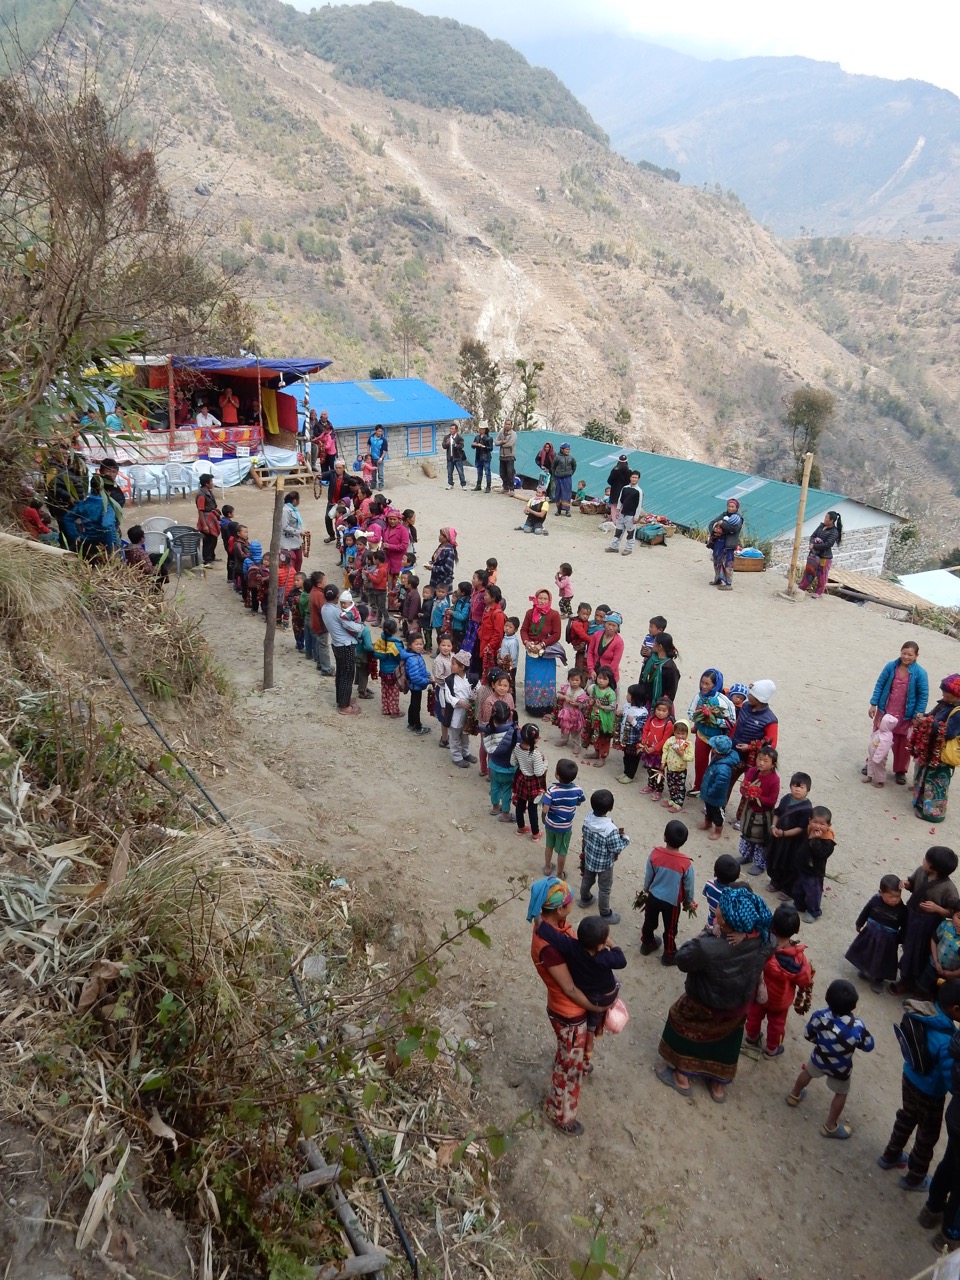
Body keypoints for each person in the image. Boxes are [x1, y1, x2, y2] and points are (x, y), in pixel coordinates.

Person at [656, 887, 775, 1103]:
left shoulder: (707, 946)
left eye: (720, 906)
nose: (716, 907)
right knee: (728, 1037)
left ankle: (681, 1076)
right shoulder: (764, 940)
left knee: (680, 1020)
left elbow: (682, 959)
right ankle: (718, 1083)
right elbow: (770, 938)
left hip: (705, 1001)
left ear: (726, 921)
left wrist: (705, 933)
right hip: (739, 1003)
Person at [528, 877, 608, 1136]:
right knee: (568, 1070)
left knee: (570, 1054)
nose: (573, 904)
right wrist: (596, 1006)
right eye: (569, 901)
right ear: (560, 909)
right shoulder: (549, 949)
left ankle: (577, 1060)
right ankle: (561, 1114)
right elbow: (570, 989)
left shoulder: (549, 926)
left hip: (569, 1009)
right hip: (569, 1013)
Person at [786, 978, 875, 1139]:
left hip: (819, 1058)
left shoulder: (820, 1016)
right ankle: (830, 1126)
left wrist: (821, 1044)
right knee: (841, 1093)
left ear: (827, 999)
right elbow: (869, 1045)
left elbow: (808, 1034)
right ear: (853, 1006)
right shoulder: (857, 1026)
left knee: (807, 1073)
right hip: (840, 1068)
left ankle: (794, 1095)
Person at [535, 914, 626, 1033]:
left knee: (594, 1011)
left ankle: (591, 1028)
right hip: (604, 997)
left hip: (589, 994)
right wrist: (613, 945)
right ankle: (595, 1026)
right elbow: (621, 961)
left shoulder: (571, 946)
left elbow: (554, 936)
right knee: (616, 983)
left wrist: (539, 920)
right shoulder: (605, 957)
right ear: (599, 947)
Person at [744, 904, 813, 1058]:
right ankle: (771, 1049)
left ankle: (751, 1037)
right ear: (797, 930)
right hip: (780, 1001)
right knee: (777, 1024)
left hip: (759, 992)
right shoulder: (797, 959)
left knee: (754, 1015)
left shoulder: (763, 944)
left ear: (773, 925)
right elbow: (804, 980)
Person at [892, 847, 960, 995]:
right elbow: (912, 883)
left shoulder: (948, 889)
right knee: (908, 946)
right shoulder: (920, 872)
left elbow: (953, 912)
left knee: (919, 953)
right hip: (911, 918)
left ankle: (909, 982)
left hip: (927, 926)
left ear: (934, 868)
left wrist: (937, 909)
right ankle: (907, 979)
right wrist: (906, 884)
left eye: (926, 860)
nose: (923, 861)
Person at [918, 1027, 960, 1251]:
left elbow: (953, 1049)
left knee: (950, 1161)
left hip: (957, 1115)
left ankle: (932, 1209)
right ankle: (950, 1234)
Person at [866, 642, 929, 785]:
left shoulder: (920, 673)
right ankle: (872, 765)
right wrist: (873, 704)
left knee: (903, 744)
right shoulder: (890, 667)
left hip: (905, 715)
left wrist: (917, 715)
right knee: (878, 740)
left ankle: (900, 771)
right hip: (885, 710)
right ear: (900, 652)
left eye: (910, 655)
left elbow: (923, 695)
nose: (906, 657)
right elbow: (880, 684)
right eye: (904, 653)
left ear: (916, 656)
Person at [640, 820, 696, 965]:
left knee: (649, 921)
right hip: (672, 902)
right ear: (684, 841)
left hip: (653, 896)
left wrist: (645, 890)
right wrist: (688, 901)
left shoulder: (655, 854)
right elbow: (689, 886)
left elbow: (649, 876)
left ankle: (647, 943)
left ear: (664, 837)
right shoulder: (686, 863)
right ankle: (669, 954)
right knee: (670, 928)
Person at [910, 675, 960, 824]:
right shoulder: (945, 703)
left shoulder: (958, 712)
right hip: (931, 750)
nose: (943, 695)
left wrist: (930, 723)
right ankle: (920, 804)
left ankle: (933, 814)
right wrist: (924, 717)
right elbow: (932, 716)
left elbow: (949, 732)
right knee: (925, 776)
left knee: (936, 782)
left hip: (941, 754)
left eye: (946, 693)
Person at [846, 874, 907, 994]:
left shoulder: (902, 910)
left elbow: (904, 927)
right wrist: (859, 923)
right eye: (891, 896)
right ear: (881, 893)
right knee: (867, 953)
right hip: (871, 934)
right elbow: (866, 911)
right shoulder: (875, 900)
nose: (894, 899)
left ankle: (878, 980)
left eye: (897, 896)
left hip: (888, 941)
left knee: (883, 960)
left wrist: (901, 939)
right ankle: (865, 970)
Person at [579, 788, 628, 925]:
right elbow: (616, 847)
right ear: (610, 808)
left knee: (587, 879)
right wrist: (625, 838)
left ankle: (585, 898)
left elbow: (584, 835)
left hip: (590, 858)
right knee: (605, 888)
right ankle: (605, 913)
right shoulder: (610, 828)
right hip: (604, 864)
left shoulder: (588, 818)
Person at [688, 669, 736, 793]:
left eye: (707, 684)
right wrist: (700, 716)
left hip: (718, 740)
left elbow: (732, 721)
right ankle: (698, 787)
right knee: (700, 763)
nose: (703, 686)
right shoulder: (698, 697)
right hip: (702, 736)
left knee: (715, 765)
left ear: (716, 685)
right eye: (702, 682)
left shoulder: (724, 701)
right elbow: (690, 712)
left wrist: (715, 720)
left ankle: (710, 790)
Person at [767, 772, 814, 898]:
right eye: (795, 786)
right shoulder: (786, 799)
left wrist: (784, 833)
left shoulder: (807, 808)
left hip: (793, 843)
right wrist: (773, 826)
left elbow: (800, 828)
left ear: (808, 790)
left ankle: (787, 889)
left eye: (801, 787)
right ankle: (775, 881)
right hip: (778, 838)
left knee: (789, 864)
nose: (797, 789)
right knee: (775, 858)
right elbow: (777, 813)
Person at [736, 745, 780, 876]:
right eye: (759, 759)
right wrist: (746, 793)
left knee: (761, 840)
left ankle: (760, 864)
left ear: (773, 764)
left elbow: (772, 801)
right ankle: (746, 856)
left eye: (765, 761)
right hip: (749, 810)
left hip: (763, 815)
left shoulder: (774, 780)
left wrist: (757, 797)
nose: (761, 763)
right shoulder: (751, 772)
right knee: (747, 834)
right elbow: (743, 787)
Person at [541, 758, 587, 880]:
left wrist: (543, 819)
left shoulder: (551, 791)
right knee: (562, 851)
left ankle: (547, 867)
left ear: (557, 775)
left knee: (549, 846)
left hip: (550, 824)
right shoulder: (577, 790)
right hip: (565, 827)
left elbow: (545, 809)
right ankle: (559, 874)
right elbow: (579, 802)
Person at [791, 806, 837, 924]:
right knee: (798, 888)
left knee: (813, 893)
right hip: (802, 867)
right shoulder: (808, 831)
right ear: (809, 820)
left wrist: (815, 840)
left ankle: (813, 911)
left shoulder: (828, 840)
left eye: (822, 824)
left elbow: (821, 854)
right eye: (815, 822)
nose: (817, 826)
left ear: (829, 825)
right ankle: (799, 905)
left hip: (814, 872)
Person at [520, 589, 562, 717]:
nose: (542, 601)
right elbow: (523, 630)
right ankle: (532, 707)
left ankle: (547, 707)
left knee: (546, 680)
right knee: (532, 678)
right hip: (531, 652)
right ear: (536, 599)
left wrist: (542, 644)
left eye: (545, 599)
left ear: (549, 600)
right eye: (540, 598)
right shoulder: (530, 613)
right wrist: (527, 642)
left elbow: (556, 634)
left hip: (546, 654)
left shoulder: (554, 615)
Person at [321, 588, 363, 715]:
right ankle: (344, 706)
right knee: (347, 675)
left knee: (341, 672)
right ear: (337, 597)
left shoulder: (324, 609)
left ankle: (342, 699)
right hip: (346, 645)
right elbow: (349, 625)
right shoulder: (337, 612)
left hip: (336, 643)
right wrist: (361, 626)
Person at [63, 473, 120, 560]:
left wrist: (75, 536)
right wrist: (110, 546)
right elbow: (107, 525)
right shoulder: (106, 506)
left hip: (87, 542)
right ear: (107, 491)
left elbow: (67, 518)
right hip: (103, 544)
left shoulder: (84, 503)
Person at [482, 699, 519, 823]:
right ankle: (506, 815)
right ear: (509, 715)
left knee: (495, 787)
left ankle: (495, 807)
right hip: (508, 769)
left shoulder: (489, 729)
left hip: (493, 766)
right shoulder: (513, 732)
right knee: (506, 791)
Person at [698, 734, 739, 841]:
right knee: (708, 810)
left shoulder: (723, 768)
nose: (712, 749)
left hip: (716, 797)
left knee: (718, 815)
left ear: (718, 751)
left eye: (713, 748)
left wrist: (710, 791)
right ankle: (707, 823)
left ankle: (718, 830)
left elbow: (719, 785)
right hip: (709, 793)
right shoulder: (717, 758)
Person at [511, 722, 548, 841]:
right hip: (533, 783)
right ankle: (535, 833)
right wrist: (545, 762)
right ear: (536, 739)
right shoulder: (535, 754)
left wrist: (521, 762)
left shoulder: (517, 747)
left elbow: (513, 762)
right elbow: (538, 772)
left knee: (520, 804)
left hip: (521, 779)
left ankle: (521, 827)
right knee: (533, 808)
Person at [439, 650, 475, 767]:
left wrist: (473, 700)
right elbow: (448, 696)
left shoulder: (471, 678)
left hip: (466, 713)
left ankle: (466, 753)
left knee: (465, 734)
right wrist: (459, 702)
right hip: (455, 712)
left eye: (453, 664)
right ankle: (456, 757)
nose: (451, 666)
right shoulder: (449, 680)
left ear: (462, 667)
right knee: (455, 735)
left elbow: (476, 691)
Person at [797, 510, 843, 599]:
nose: (825, 519)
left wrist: (814, 546)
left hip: (824, 557)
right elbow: (813, 536)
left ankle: (818, 592)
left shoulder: (834, 532)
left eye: (826, 518)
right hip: (814, 555)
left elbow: (828, 545)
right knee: (809, 571)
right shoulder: (821, 526)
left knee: (822, 575)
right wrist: (811, 544)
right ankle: (801, 587)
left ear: (832, 520)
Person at [919, 906, 960, 996]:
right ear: (953, 914)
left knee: (943, 992)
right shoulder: (946, 925)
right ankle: (920, 996)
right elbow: (934, 940)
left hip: (951, 975)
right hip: (933, 964)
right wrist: (936, 961)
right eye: (959, 917)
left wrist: (952, 974)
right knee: (923, 984)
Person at [582, 667, 618, 768]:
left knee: (603, 737)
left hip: (605, 719)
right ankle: (596, 752)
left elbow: (612, 707)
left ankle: (602, 757)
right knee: (595, 735)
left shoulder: (610, 693)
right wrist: (590, 701)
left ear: (609, 680)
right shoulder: (594, 688)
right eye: (599, 678)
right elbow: (591, 697)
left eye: (604, 679)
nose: (601, 681)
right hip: (594, 716)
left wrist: (602, 706)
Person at [639, 698, 674, 798]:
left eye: (664, 711)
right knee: (650, 769)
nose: (660, 713)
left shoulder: (669, 724)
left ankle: (659, 789)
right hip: (648, 750)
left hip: (659, 754)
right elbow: (645, 730)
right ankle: (650, 785)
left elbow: (664, 740)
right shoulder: (651, 719)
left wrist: (654, 748)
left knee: (659, 771)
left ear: (669, 712)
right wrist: (644, 742)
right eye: (658, 709)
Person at [707, 498, 744, 590]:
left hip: (729, 544)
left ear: (736, 508)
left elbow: (733, 529)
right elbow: (711, 523)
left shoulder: (738, 518)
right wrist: (714, 531)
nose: (730, 508)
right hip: (719, 542)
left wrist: (721, 523)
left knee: (728, 563)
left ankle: (728, 584)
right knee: (716, 560)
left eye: (732, 507)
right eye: (729, 506)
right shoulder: (723, 515)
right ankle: (718, 579)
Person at [702, 854, 744, 933]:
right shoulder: (735, 895)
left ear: (715, 873)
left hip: (711, 922)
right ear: (736, 878)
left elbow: (706, 895)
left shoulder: (709, 885)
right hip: (726, 928)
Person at [399, 635, 432, 736]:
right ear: (410, 645)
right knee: (416, 706)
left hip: (414, 686)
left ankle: (411, 723)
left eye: (421, 644)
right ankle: (418, 727)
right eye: (416, 644)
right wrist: (427, 681)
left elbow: (420, 670)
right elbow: (415, 677)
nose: (419, 646)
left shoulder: (414, 655)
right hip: (416, 686)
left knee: (413, 704)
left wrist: (427, 674)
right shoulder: (413, 659)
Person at [638, 632, 680, 709]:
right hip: (645, 701)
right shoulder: (651, 659)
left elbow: (671, 693)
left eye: (654, 642)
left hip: (659, 707)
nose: (653, 644)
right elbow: (643, 677)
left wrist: (661, 708)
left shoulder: (670, 668)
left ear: (660, 647)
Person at [615, 684, 647, 784]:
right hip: (625, 738)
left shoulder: (642, 712)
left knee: (633, 759)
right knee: (626, 756)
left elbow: (642, 727)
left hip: (634, 741)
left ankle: (630, 775)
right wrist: (621, 714)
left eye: (629, 694)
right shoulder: (627, 706)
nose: (626, 696)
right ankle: (626, 772)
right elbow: (624, 718)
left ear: (635, 698)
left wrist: (633, 721)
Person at [605, 471, 642, 555]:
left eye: (635, 478)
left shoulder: (638, 491)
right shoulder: (625, 488)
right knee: (618, 531)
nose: (634, 479)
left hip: (631, 515)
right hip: (622, 513)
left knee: (630, 532)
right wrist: (618, 510)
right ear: (630, 478)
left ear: (638, 479)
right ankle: (614, 547)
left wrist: (636, 517)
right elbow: (620, 500)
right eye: (632, 477)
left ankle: (629, 548)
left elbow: (639, 505)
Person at [661, 719, 694, 812]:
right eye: (678, 733)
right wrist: (663, 762)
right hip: (670, 768)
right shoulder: (671, 740)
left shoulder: (688, 744)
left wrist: (682, 754)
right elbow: (665, 750)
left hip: (680, 770)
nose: (680, 736)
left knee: (679, 787)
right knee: (671, 784)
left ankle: (678, 803)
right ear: (674, 732)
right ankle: (672, 799)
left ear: (688, 733)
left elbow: (691, 757)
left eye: (683, 734)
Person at [554, 669, 589, 752]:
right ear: (568, 680)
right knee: (564, 727)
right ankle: (564, 740)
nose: (574, 682)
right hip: (565, 713)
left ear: (581, 681)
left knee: (575, 731)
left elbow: (584, 704)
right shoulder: (566, 688)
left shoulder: (581, 692)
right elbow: (558, 695)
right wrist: (564, 697)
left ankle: (577, 745)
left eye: (577, 680)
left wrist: (577, 704)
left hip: (575, 715)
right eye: (572, 680)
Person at [586, 612, 624, 687]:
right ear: (604, 623)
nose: (610, 628)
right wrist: (591, 670)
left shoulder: (619, 642)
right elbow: (590, 652)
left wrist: (604, 678)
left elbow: (615, 663)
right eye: (609, 624)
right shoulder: (596, 635)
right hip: (594, 673)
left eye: (614, 625)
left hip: (609, 677)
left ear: (618, 627)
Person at [478, 584, 505, 678]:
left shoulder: (497, 614)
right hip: (483, 644)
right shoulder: (487, 609)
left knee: (491, 673)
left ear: (493, 598)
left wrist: (490, 646)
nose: (484, 597)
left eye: (486, 595)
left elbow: (498, 633)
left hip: (491, 649)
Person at [194, 473, 221, 566]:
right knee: (208, 540)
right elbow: (200, 510)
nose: (212, 483)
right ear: (206, 483)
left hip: (211, 516)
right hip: (206, 519)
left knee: (213, 539)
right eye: (211, 481)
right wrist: (205, 525)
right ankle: (207, 560)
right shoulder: (201, 495)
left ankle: (212, 556)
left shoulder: (208, 492)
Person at [864, 713, 898, 787]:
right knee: (870, 764)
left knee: (879, 768)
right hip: (872, 753)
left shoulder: (886, 737)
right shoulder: (880, 731)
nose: (878, 722)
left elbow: (883, 749)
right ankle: (869, 776)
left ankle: (880, 781)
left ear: (884, 724)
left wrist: (877, 758)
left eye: (880, 721)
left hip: (879, 757)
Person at [382, 508, 411, 592]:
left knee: (398, 583)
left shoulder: (403, 530)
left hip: (398, 560)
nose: (392, 521)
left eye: (394, 519)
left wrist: (390, 546)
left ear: (399, 520)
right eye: (390, 519)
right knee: (389, 582)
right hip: (388, 559)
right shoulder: (386, 529)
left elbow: (404, 546)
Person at [278, 491, 305, 573]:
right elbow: (285, 526)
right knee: (291, 560)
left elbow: (297, 524)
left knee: (299, 560)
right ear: (295, 500)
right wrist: (298, 532)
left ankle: (297, 576)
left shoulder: (294, 510)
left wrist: (302, 531)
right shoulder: (285, 511)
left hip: (295, 540)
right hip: (286, 541)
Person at [426, 527, 458, 593]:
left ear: (446, 537)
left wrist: (433, 568)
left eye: (441, 535)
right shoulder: (440, 547)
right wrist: (431, 563)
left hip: (443, 582)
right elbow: (436, 561)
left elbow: (447, 569)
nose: (439, 536)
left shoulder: (449, 551)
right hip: (435, 580)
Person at [551, 442, 577, 517]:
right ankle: (558, 509)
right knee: (558, 493)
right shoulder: (557, 457)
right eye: (566, 449)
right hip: (558, 477)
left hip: (567, 478)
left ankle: (567, 510)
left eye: (568, 449)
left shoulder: (571, 457)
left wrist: (570, 473)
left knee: (567, 494)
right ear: (562, 449)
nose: (567, 451)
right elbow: (553, 467)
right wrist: (554, 476)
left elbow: (574, 466)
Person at [604, 454, 632, 523]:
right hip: (625, 492)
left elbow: (609, 480)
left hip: (615, 491)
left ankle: (615, 522)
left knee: (614, 507)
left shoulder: (615, 470)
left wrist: (614, 485)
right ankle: (621, 522)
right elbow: (630, 482)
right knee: (622, 507)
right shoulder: (629, 470)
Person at [494, 419, 517, 494]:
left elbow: (510, 443)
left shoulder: (513, 434)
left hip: (510, 455)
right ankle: (505, 487)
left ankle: (511, 489)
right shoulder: (501, 432)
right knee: (502, 473)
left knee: (510, 473)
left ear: (511, 425)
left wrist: (502, 444)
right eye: (506, 424)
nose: (507, 425)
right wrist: (502, 442)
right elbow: (496, 442)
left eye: (509, 424)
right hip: (502, 455)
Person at [442, 425, 468, 489]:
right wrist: (447, 443)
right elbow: (444, 446)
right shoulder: (447, 437)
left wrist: (455, 445)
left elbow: (461, 446)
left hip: (457, 457)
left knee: (460, 472)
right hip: (450, 457)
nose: (451, 430)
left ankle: (463, 484)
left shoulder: (459, 438)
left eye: (452, 429)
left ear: (456, 430)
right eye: (450, 428)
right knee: (449, 472)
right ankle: (450, 484)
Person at [471, 427, 493, 492]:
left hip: (486, 457)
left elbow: (491, 448)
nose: (480, 430)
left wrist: (483, 446)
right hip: (478, 457)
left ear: (485, 430)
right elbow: (473, 446)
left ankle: (488, 486)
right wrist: (474, 444)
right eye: (480, 429)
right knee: (479, 472)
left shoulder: (489, 438)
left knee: (487, 472)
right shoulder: (477, 437)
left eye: (482, 429)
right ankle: (478, 485)